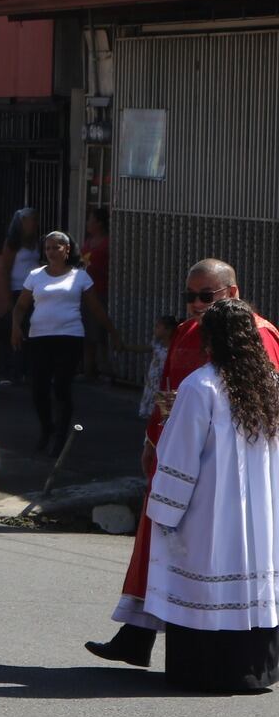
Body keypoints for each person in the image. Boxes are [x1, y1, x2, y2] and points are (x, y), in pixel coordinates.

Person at [87, 260, 279, 669]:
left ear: (232, 293)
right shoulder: (187, 332)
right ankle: (138, 634)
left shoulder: (260, 336)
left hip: (231, 475)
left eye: (204, 297)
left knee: (209, 556)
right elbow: (167, 391)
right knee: (163, 548)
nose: (194, 305)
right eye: (189, 296)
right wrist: (152, 441)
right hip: (185, 457)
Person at [138, 297, 279, 691]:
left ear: (210, 340)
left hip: (210, 512)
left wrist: (164, 508)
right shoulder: (271, 384)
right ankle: (253, 670)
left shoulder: (200, 386)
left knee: (205, 576)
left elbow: (180, 456)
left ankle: (205, 670)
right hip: (262, 513)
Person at [12, 229, 114, 455]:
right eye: (48, 248)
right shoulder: (36, 275)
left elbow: (96, 308)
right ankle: (47, 428)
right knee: (38, 388)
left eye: (56, 247)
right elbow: (20, 306)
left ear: (67, 250)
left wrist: (112, 333)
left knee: (61, 387)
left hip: (69, 337)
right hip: (39, 337)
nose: (51, 252)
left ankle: (60, 437)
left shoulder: (80, 277)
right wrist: (16, 326)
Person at [0, 207, 41, 381]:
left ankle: (28, 369)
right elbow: (5, 269)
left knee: (32, 329)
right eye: (32, 220)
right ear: (23, 222)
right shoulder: (12, 242)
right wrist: (8, 297)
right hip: (17, 290)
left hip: (34, 291)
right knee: (17, 330)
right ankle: (15, 369)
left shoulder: (36, 242)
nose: (35, 224)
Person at [81, 207, 114, 379]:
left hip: (101, 292)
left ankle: (106, 370)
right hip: (86, 293)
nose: (88, 224)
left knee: (100, 333)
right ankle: (88, 370)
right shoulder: (89, 241)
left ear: (99, 223)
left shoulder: (107, 242)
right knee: (87, 334)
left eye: (91, 220)